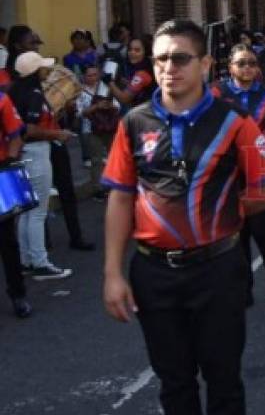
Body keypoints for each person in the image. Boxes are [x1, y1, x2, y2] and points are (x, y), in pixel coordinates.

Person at [102, 20, 265, 415]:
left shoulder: (235, 123)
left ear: (204, 63)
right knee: (174, 384)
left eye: (181, 58)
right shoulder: (134, 122)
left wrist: (224, 214)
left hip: (219, 271)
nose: (170, 68)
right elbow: (120, 197)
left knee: (223, 382)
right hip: (153, 274)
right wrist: (112, 272)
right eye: (161, 58)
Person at [212, 44, 265, 311]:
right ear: (230, 67)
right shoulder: (216, 93)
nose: (248, 68)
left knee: (264, 235)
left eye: (252, 63)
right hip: (228, 175)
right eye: (241, 63)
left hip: (258, 175)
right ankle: (244, 290)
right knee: (236, 237)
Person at [10, 52, 75, 278]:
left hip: (22, 154)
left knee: (26, 211)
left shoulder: (16, 91)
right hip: (35, 153)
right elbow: (29, 130)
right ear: (34, 72)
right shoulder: (34, 94)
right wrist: (57, 134)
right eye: (42, 68)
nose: (46, 71)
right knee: (37, 211)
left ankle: (26, 260)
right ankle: (39, 261)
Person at [0, 86, 30, 317]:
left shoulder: (2, 100)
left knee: (7, 240)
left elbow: (15, 137)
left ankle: (18, 294)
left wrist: (9, 165)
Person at [75, 64, 120, 198]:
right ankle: (98, 188)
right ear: (83, 77)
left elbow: (118, 106)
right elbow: (79, 113)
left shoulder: (106, 88)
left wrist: (110, 106)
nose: (93, 78)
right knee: (96, 160)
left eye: (95, 75)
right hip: (91, 129)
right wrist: (96, 107)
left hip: (109, 127)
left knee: (114, 156)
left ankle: (116, 183)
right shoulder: (80, 92)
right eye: (89, 75)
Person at [107, 36, 157, 112]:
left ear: (145, 52)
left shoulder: (141, 74)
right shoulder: (145, 67)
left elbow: (124, 98)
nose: (132, 53)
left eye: (137, 50)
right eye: (130, 49)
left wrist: (109, 82)